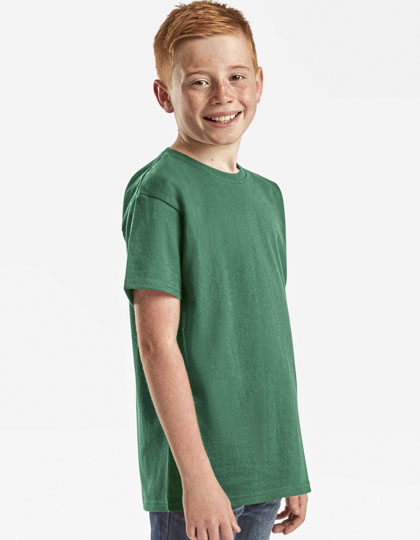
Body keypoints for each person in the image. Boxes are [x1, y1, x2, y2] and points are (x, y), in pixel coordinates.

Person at [121, 1, 311, 538]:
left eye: (236, 76)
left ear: (259, 82)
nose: (223, 95)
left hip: (265, 467)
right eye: (200, 82)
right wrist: (197, 478)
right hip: (199, 480)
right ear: (165, 95)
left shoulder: (268, 197)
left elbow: (267, 338)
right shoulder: (162, 191)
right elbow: (157, 344)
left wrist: (289, 460)